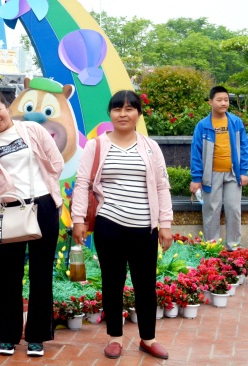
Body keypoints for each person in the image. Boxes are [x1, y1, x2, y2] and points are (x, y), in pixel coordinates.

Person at [72, 90, 173, 360]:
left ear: (138, 113)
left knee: (145, 285)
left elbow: (162, 186)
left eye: (129, 109)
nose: (123, 114)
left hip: (145, 227)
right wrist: (78, 219)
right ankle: (115, 337)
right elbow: (82, 184)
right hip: (110, 225)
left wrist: (164, 224)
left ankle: (148, 339)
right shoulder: (96, 146)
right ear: (110, 113)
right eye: (117, 109)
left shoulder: (150, 147)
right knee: (112, 283)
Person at [0, 88, 64, 357]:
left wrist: (45, 186)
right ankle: (8, 336)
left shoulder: (32, 130)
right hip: (11, 208)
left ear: (7, 107)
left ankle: (37, 336)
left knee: (41, 272)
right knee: (9, 273)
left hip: (44, 205)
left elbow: (56, 161)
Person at [190, 85, 248, 251]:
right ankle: (212, 247)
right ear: (210, 102)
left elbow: (244, 147)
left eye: (226, 100)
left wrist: (244, 171)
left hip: (233, 174)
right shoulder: (202, 126)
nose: (223, 103)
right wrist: (196, 178)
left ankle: (234, 248)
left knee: (233, 209)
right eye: (219, 100)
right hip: (211, 176)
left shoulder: (236, 122)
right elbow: (196, 153)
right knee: (211, 210)